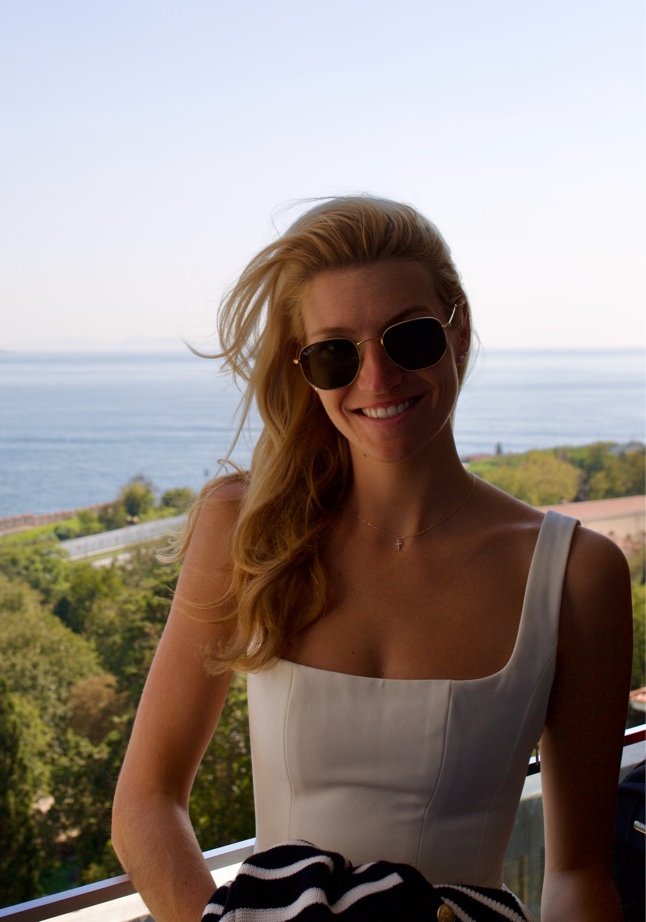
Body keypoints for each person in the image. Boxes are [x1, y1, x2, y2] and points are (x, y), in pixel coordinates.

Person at [111, 196, 633, 922]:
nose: (378, 378)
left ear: (459, 333)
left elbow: (577, 873)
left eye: (408, 337)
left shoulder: (574, 575)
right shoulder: (247, 530)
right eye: (336, 353)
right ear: (305, 371)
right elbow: (146, 802)